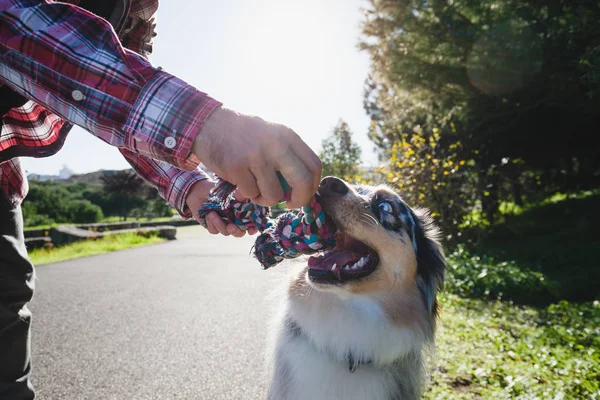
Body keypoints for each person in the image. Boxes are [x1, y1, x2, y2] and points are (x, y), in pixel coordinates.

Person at [0, 1, 322, 398]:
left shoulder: (138, 10)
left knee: (7, 311)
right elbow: (13, 22)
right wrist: (206, 125)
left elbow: (120, 90)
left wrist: (192, 187)